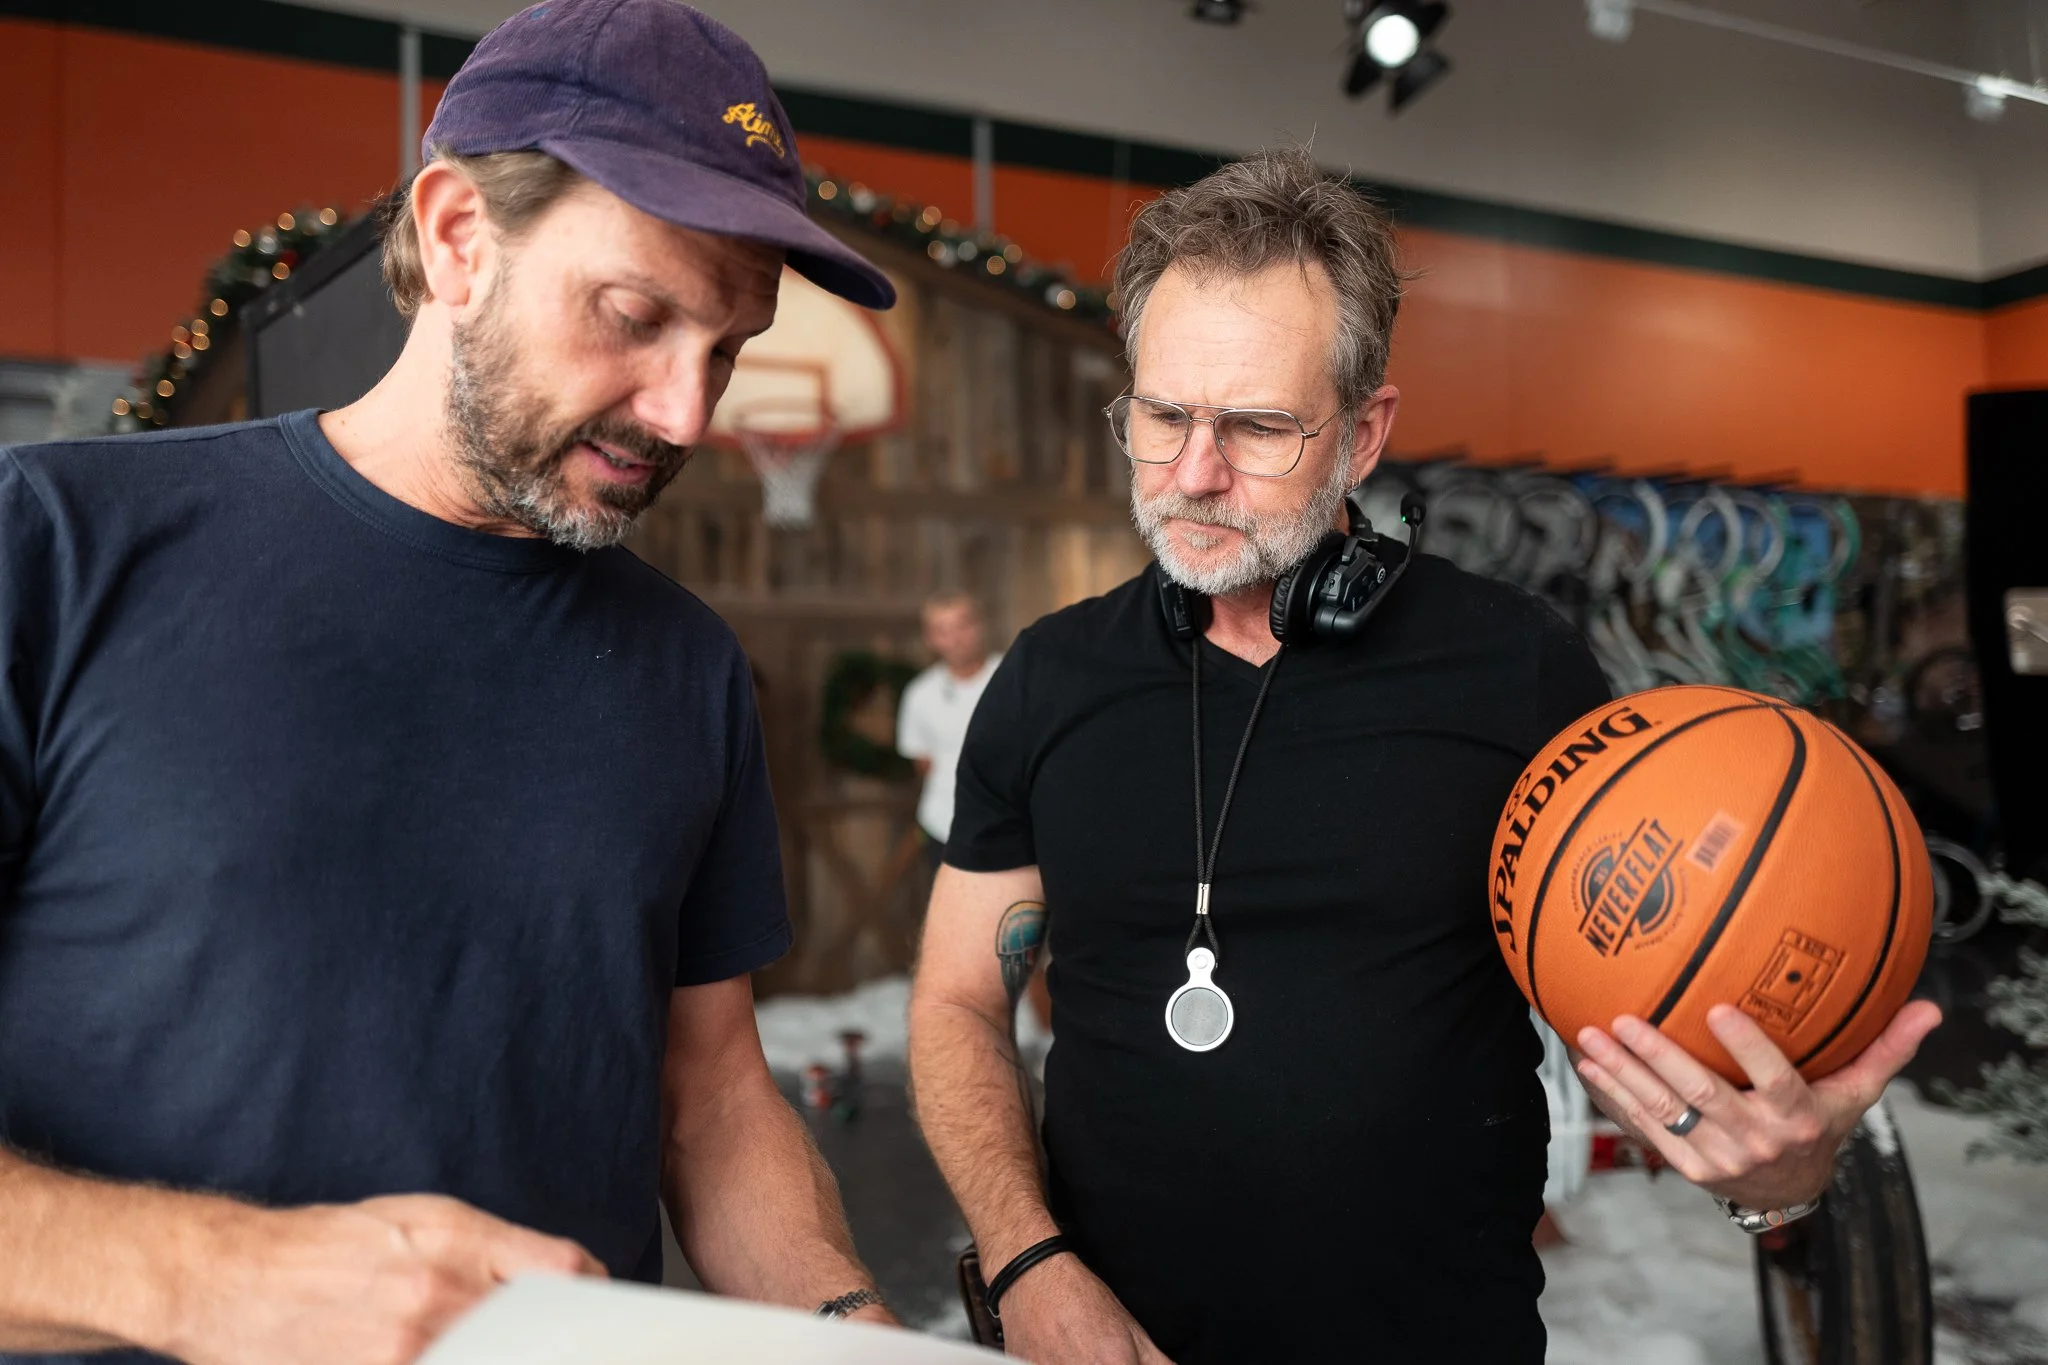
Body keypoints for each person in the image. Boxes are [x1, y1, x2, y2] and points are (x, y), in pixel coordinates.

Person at [906, 146, 1941, 1363]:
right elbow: (958, 1001)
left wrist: (1774, 1168)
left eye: (1255, 427)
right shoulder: (1045, 677)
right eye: (1161, 415)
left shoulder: (1516, 670)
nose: (1191, 472)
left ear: (1360, 434)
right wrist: (1027, 1263)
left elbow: (1665, 997)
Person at [0, 4, 900, 1361]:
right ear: (459, 235)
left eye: (727, 348)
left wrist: (856, 1332)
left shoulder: (688, 663)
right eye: (637, 316)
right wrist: (220, 1275)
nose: (685, 414)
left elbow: (706, 1097)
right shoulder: (52, 548)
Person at [897, 591, 1002, 874]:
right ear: (930, 638)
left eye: (963, 625)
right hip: (943, 824)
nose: (955, 638)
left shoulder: (1011, 677)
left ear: (981, 625)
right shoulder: (920, 693)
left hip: (1009, 823)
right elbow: (922, 761)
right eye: (943, 630)